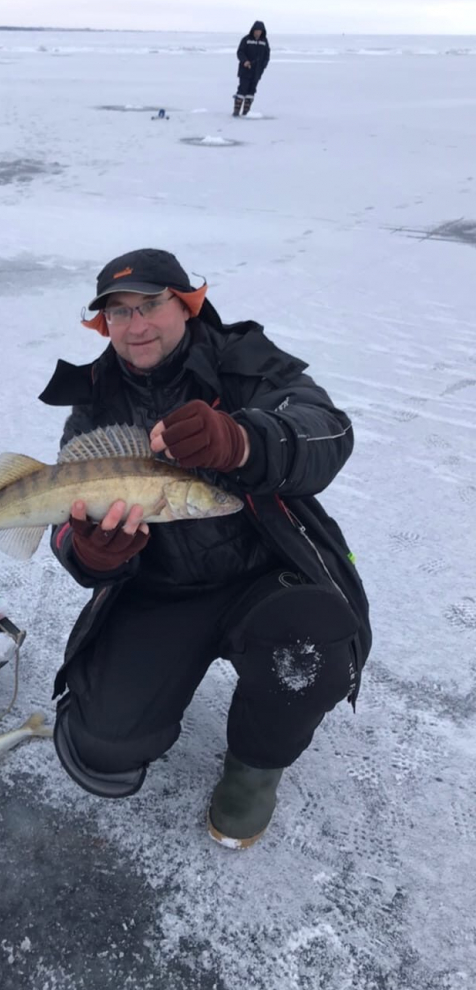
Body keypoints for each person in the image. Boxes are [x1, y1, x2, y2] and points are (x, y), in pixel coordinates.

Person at [39, 248, 371, 848]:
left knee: (311, 644)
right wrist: (94, 553)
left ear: (187, 305)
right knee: (102, 745)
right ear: (102, 325)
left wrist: (243, 442)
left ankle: (253, 773)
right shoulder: (93, 402)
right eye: (118, 314)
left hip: (266, 577)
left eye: (151, 305)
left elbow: (328, 429)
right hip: (159, 590)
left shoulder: (243, 361)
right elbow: (63, 520)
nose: (136, 326)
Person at [234, 20, 270, 117]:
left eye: (260, 31)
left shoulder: (264, 41)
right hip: (245, 70)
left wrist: (263, 66)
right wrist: (245, 61)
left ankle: (246, 112)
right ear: (253, 30)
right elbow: (240, 52)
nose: (258, 32)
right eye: (256, 30)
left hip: (257, 72)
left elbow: (267, 55)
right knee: (242, 89)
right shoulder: (246, 39)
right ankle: (236, 111)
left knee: (252, 90)